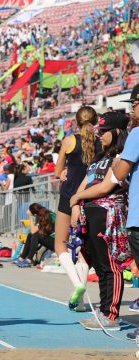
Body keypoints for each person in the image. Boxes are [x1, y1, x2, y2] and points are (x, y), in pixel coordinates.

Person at [70, 111, 131, 331]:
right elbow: (85, 184)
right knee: (99, 264)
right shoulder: (99, 157)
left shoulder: (122, 156)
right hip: (91, 211)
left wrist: (77, 198)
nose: (100, 135)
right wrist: (76, 205)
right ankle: (104, 311)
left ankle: (111, 314)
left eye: (104, 132)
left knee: (110, 265)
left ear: (116, 132)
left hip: (109, 213)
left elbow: (106, 186)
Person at [53, 106, 100, 311]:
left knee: (60, 245)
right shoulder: (100, 142)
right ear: (96, 121)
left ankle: (78, 285)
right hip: (91, 196)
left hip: (69, 194)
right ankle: (80, 303)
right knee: (84, 250)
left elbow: (57, 170)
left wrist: (62, 171)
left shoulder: (70, 141)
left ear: (76, 121)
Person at [112, 84, 139, 337]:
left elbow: (120, 173)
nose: (132, 109)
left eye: (135, 104)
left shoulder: (137, 133)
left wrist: (117, 160)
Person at [14, 203, 56, 267]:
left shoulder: (49, 216)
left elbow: (33, 231)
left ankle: (29, 260)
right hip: (53, 240)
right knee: (30, 235)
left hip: (58, 242)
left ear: (35, 214)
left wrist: (30, 217)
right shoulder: (44, 215)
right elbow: (32, 232)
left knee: (36, 235)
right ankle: (21, 258)